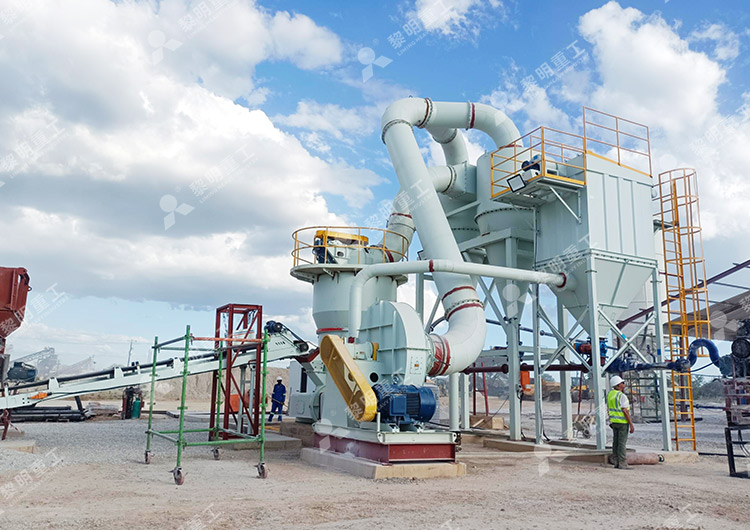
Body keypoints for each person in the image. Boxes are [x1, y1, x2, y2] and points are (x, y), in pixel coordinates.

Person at [608, 375, 635, 469]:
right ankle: (622, 463)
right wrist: (631, 424)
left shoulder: (610, 394)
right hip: (622, 422)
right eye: (622, 383)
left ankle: (616, 462)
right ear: (618, 385)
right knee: (622, 443)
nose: (624, 384)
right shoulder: (621, 396)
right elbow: (625, 411)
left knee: (615, 442)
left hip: (614, 422)